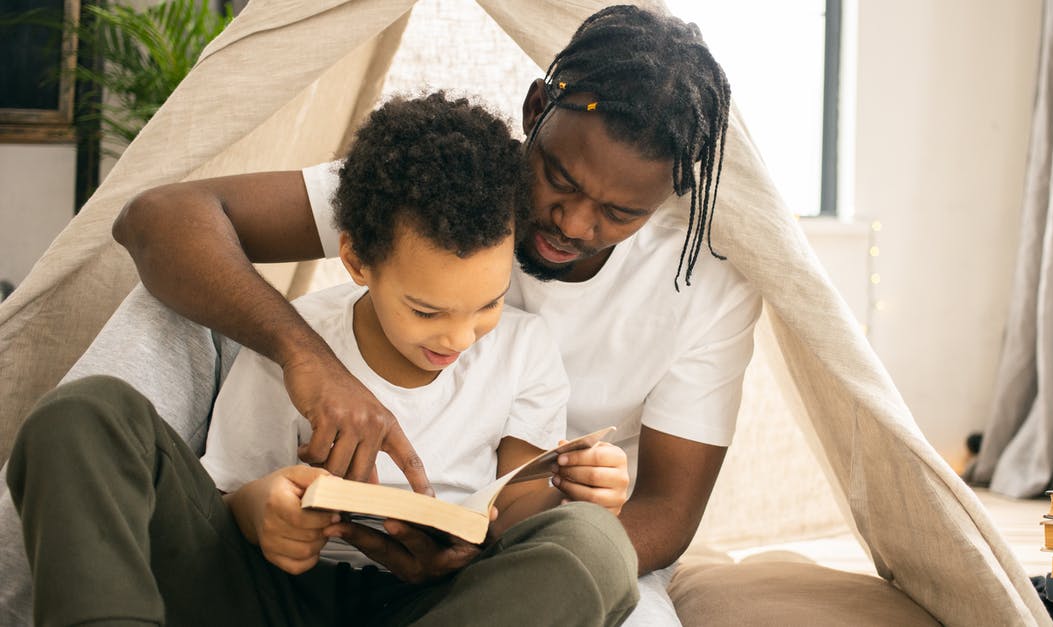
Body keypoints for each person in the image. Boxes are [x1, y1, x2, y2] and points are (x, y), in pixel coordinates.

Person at [111, 5, 760, 625]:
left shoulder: (708, 289)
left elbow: (668, 512)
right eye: (560, 178)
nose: (574, 221)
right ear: (536, 110)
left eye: (619, 214)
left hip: (527, 549)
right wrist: (303, 353)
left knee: (600, 562)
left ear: (668, 196)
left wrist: (491, 558)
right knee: (166, 300)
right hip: (324, 549)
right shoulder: (443, 183)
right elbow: (157, 220)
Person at [7, 93, 639, 626]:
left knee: (597, 544)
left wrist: (577, 492)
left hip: (433, 608)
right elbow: (227, 499)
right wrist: (268, 514)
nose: (459, 337)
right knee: (82, 414)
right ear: (358, 261)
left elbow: (512, 521)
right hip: (269, 595)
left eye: (488, 304)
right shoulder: (298, 338)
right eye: (426, 311)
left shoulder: (525, 351)